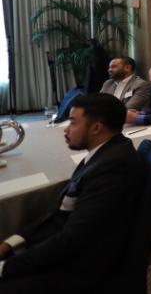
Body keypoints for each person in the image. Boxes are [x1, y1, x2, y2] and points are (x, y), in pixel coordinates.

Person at [0, 94, 143, 293]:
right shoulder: (106, 153)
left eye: (73, 122)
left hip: (82, 268)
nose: (66, 130)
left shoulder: (112, 167)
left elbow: (72, 240)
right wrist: (12, 242)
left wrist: (6, 267)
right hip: (69, 249)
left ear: (96, 128)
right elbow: (60, 214)